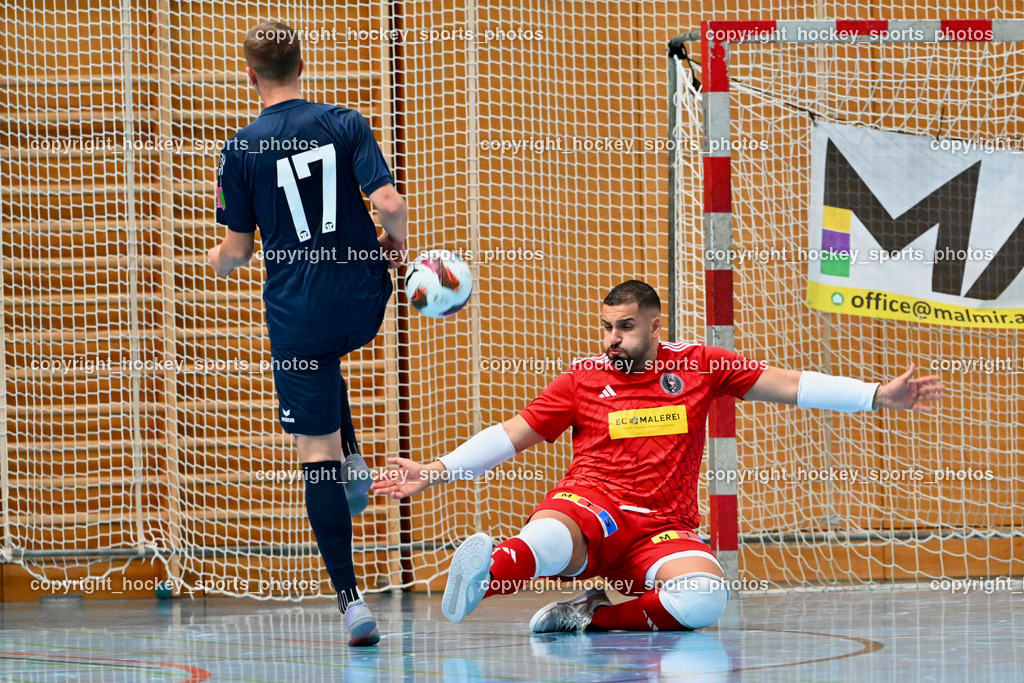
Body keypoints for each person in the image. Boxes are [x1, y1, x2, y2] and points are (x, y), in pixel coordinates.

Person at [371, 280, 945, 633]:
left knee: (704, 600)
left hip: (662, 529)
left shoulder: (700, 365)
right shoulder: (583, 379)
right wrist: (436, 471)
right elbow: (511, 433)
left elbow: (789, 384)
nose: (611, 340)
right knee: (544, 538)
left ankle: (587, 616)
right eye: (605, 328)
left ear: (654, 325)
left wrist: (876, 397)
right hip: (590, 508)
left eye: (624, 328)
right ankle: (486, 575)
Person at [208, 20, 407, 647]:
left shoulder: (241, 147)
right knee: (330, 362)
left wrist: (216, 260)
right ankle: (354, 459)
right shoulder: (345, 122)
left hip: (300, 315)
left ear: (250, 75)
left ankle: (351, 603)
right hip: (361, 296)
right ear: (303, 65)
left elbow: (238, 251)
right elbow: (392, 206)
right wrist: (394, 251)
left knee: (311, 448)